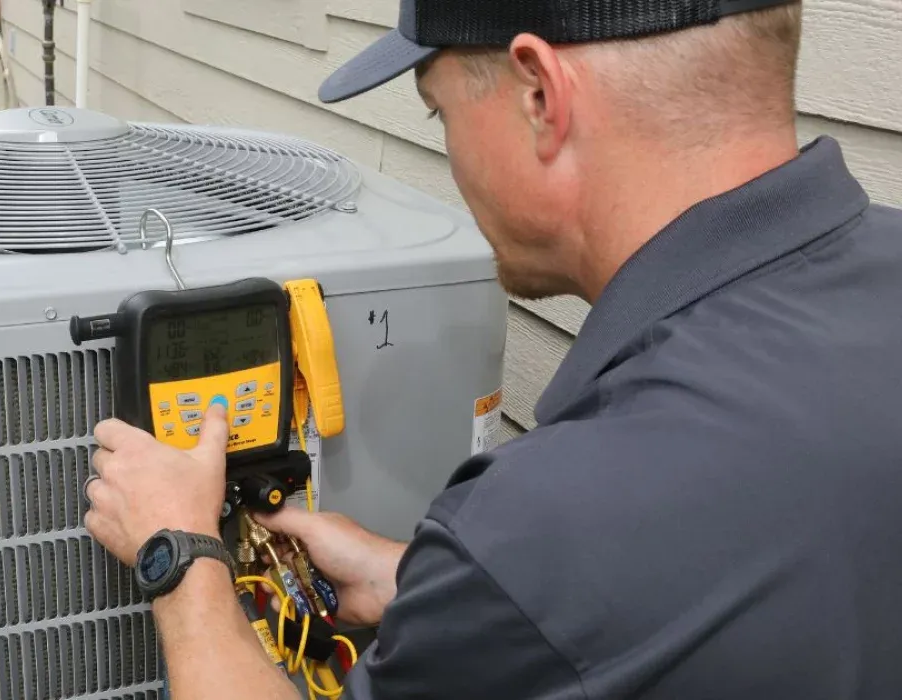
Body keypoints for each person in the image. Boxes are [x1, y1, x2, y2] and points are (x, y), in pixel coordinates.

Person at [84, 0, 902, 696]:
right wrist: (426, 583)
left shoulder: (556, 520)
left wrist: (181, 553)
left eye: (439, 113)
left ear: (541, 95)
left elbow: (584, 564)